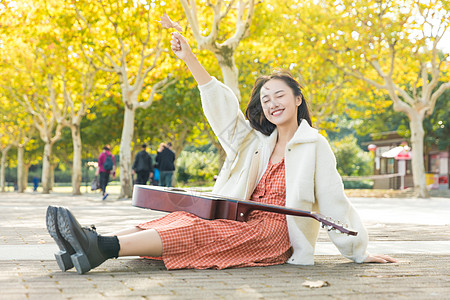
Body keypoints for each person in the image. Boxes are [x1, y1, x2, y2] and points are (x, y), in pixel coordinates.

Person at [46, 31, 396, 275]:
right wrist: (190, 59)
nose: (272, 103)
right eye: (265, 99)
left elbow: (336, 202)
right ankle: (88, 246)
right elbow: (222, 110)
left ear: (298, 99)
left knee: (198, 232)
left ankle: (98, 247)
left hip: (273, 234)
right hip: (239, 216)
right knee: (181, 220)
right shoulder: (256, 141)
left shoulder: (315, 144)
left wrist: (359, 253)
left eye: (279, 95)